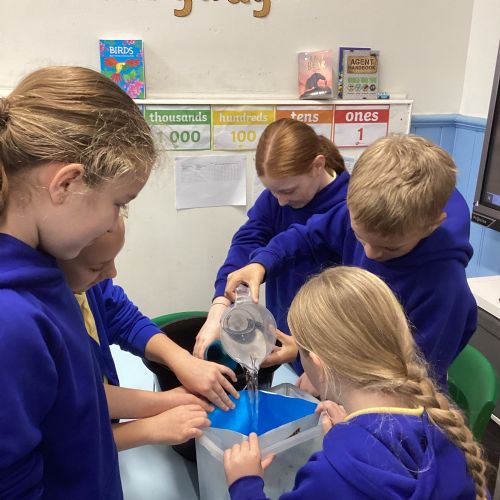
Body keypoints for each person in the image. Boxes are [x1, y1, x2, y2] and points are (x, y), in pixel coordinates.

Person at [0, 66, 157, 499]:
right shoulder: (12, 320)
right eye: (119, 203)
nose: (112, 222)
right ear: (67, 184)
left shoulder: (47, 273)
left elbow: (75, 402)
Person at [225, 135, 477, 387]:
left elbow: (409, 380)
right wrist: (261, 264)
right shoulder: (356, 212)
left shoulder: (443, 288)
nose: (370, 254)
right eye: (359, 237)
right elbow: (306, 236)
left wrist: (331, 378)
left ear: (431, 225)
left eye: (390, 248)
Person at [223, 266, 487, 499]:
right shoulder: (442, 424)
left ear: (316, 363)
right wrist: (349, 434)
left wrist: (245, 483)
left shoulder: (334, 474)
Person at [194, 118, 348, 374]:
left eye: (288, 191)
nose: (281, 201)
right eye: (272, 191)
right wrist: (219, 306)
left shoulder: (349, 207)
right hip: (288, 342)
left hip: (333, 352)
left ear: (318, 165)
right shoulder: (276, 198)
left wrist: (324, 364)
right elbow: (246, 242)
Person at [58, 217, 239, 413]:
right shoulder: (46, 321)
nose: (112, 272)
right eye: (96, 267)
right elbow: (71, 402)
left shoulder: (89, 287)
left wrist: (182, 360)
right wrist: (165, 406)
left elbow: (124, 320)